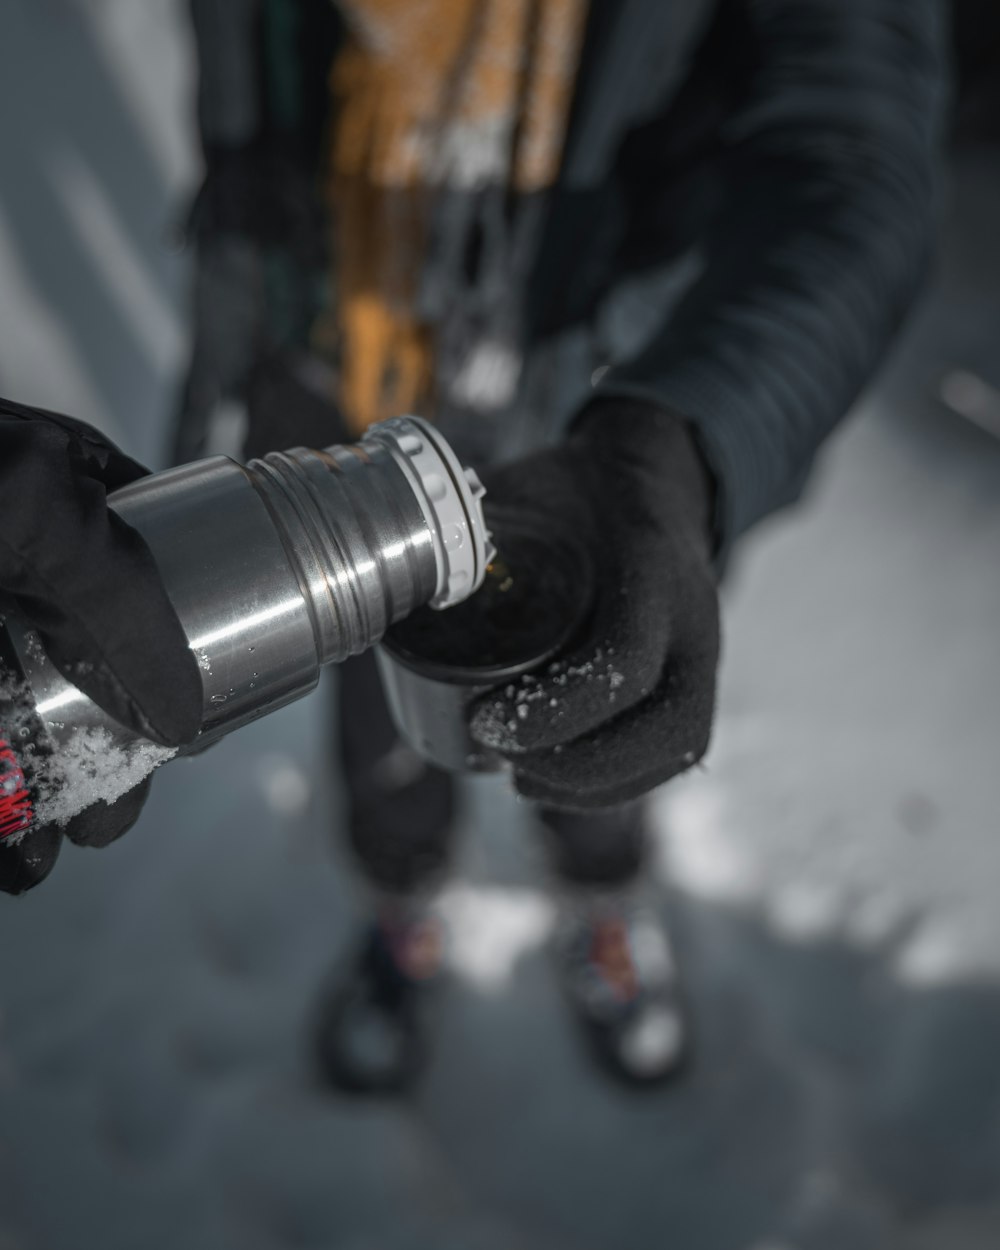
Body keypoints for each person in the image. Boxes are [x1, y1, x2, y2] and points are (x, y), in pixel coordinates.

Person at [0, 0, 945, 1091]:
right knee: (371, 688)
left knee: (603, 675)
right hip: (319, 322)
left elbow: (856, 137)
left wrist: (682, 435)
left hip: (575, 368)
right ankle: (405, 901)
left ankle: (600, 894)